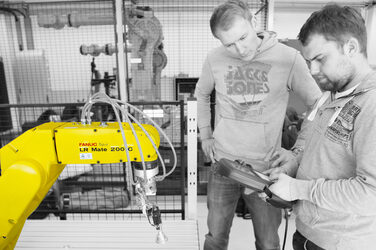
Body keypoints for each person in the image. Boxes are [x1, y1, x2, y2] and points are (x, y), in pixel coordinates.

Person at [194, 0, 322, 249]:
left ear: (253, 22)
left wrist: (298, 150)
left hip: (266, 170)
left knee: (268, 241)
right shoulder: (215, 58)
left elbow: (318, 105)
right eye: (229, 44)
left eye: (243, 37)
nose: (240, 49)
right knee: (215, 236)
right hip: (224, 164)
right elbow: (201, 93)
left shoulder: (289, 59)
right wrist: (206, 135)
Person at [266, 4, 376, 250]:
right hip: (308, 233)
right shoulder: (330, 94)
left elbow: (371, 194)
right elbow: (319, 148)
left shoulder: (372, 106)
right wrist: (295, 161)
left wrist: (298, 188)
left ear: (351, 48)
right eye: (308, 61)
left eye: (319, 59)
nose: (312, 71)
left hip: (343, 243)